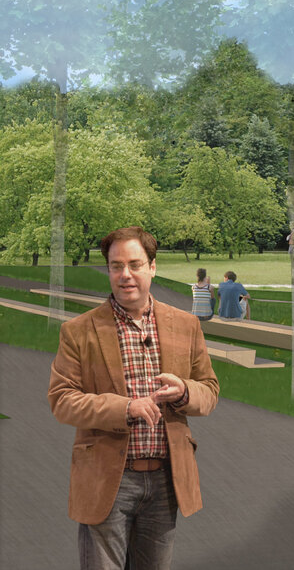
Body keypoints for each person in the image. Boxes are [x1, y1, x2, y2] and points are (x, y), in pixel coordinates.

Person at [48, 225, 220, 570]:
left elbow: (210, 390)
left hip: (166, 480)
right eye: (116, 266)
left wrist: (185, 391)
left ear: (152, 267)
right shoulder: (79, 331)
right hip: (106, 478)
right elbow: (62, 400)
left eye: (135, 264)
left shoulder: (186, 325)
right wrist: (125, 408)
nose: (125, 274)